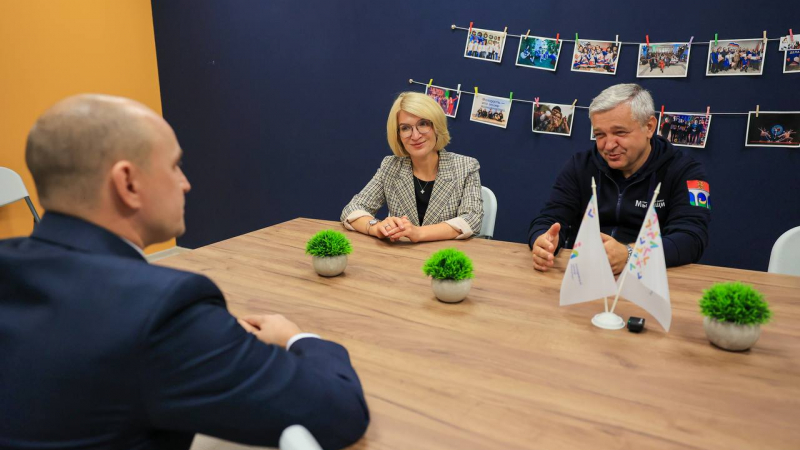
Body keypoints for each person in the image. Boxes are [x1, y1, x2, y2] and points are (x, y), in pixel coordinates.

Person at [0, 94, 369, 449]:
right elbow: (339, 412)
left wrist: (209, 339)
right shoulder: (162, 312)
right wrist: (297, 338)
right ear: (128, 183)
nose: (185, 183)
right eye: (174, 166)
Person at [528, 84, 710, 274]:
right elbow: (549, 218)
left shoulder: (686, 171)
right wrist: (542, 240)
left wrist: (631, 254)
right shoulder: (579, 166)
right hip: (583, 277)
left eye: (620, 133)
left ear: (649, 127)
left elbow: (692, 238)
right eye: (600, 134)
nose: (608, 145)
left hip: (652, 280)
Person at [341, 92, 483, 242]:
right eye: (405, 128)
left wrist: (419, 233)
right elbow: (352, 209)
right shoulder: (391, 167)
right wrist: (376, 227)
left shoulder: (466, 167)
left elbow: (472, 219)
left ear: (436, 126)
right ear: (398, 135)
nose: (415, 136)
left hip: (446, 255)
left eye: (423, 124)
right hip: (402, 254)